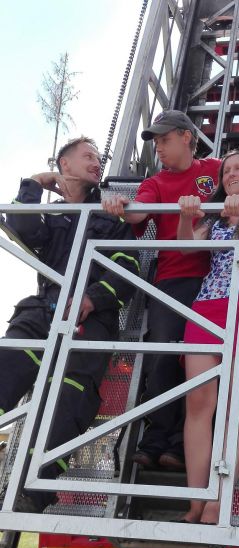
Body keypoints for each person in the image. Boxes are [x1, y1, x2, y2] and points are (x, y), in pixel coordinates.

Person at [102, 110, 239, 471]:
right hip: (177, 279)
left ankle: (183, 448)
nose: (159, 149)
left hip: (217, 282)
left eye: (164, 140)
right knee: (165, 355)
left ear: (186, 137)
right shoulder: (156, 182)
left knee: (214, 376)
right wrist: (120, 205)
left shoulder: (215, 169)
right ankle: (156, 439)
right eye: (155, 143)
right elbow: (139, 213)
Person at [3, 136, 139, 513]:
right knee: (7, 363)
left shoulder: (111, 213)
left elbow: (128, 267)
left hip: (93, 320)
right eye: (87, 156)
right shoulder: (53, 214)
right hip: (43, 308)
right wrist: (34, 183)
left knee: (71, 395)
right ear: (64, 166)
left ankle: (33, 489)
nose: (96, 162)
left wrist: (91, 298)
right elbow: (20, 226)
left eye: (98, 157)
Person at [177, 150, 239, 524]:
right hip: (207, 306)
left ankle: (219, 498)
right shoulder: (214, 216)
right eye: (225, 170)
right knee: (199, 402)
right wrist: (186, 217)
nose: (231, 173)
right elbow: (187, 247)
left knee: (237, 405)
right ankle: (195, 499)